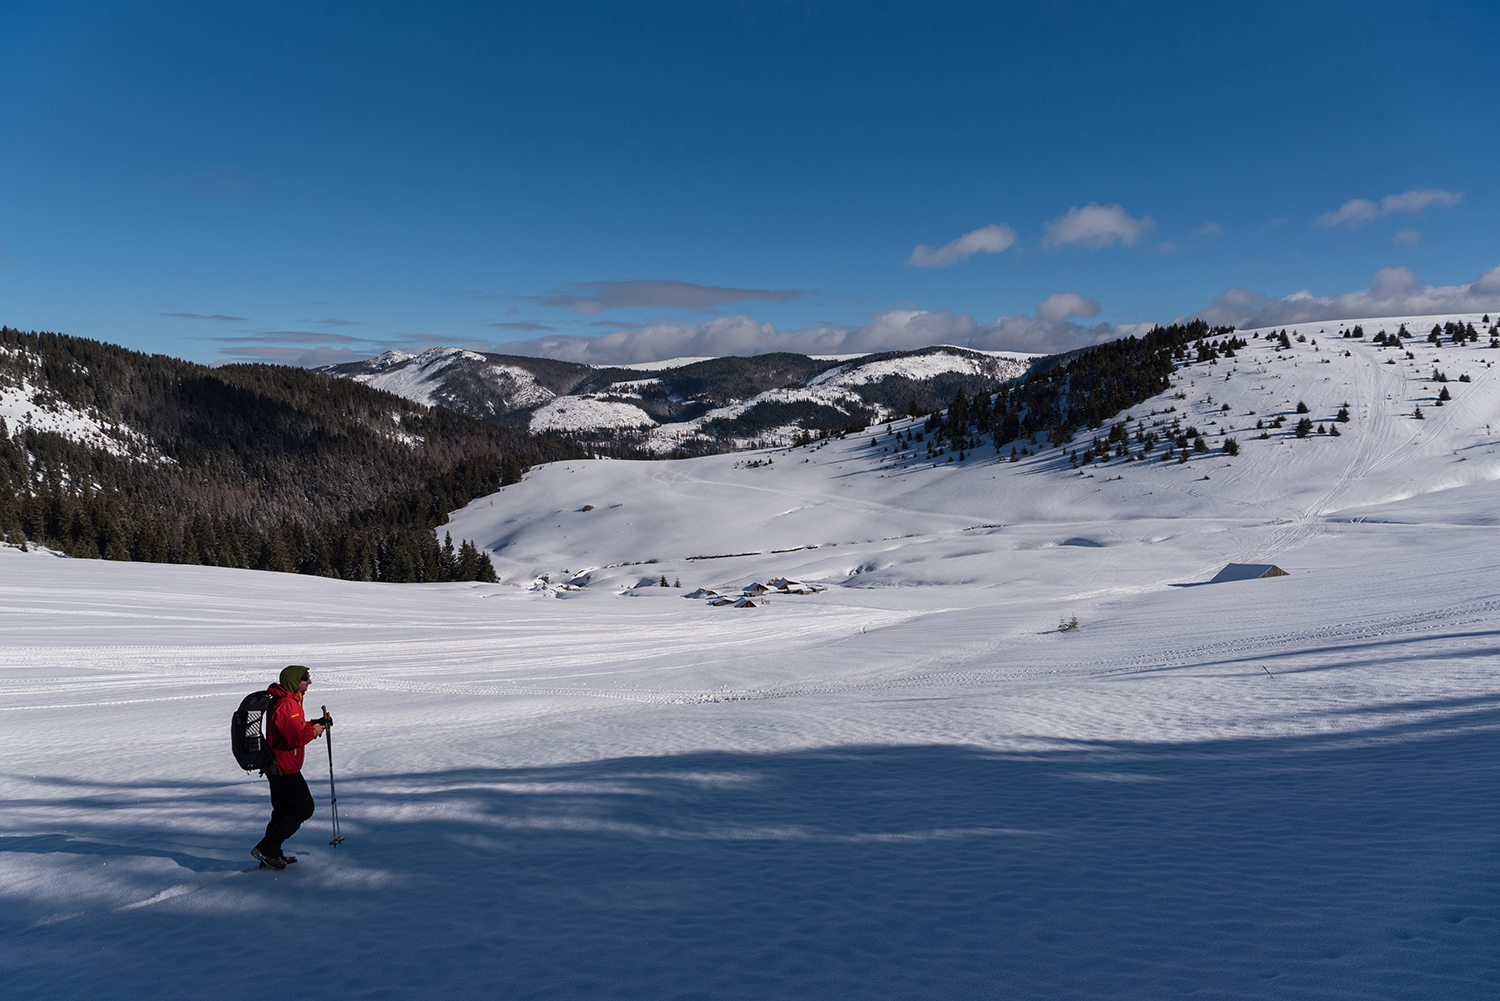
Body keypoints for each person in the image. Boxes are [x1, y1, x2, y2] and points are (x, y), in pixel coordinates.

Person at [251, 665, 329, 869]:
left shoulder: (289, 701)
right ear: (294, 682)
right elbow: (293, 738)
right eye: (305, 678)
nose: (309, 681)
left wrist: (315, 723)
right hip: (283, 767)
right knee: (304, 808)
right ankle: (267, 848)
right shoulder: (287, 704)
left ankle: (271, 854)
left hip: (280, 766)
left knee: (282, 811)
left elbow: (294, 728)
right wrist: (314, 731)